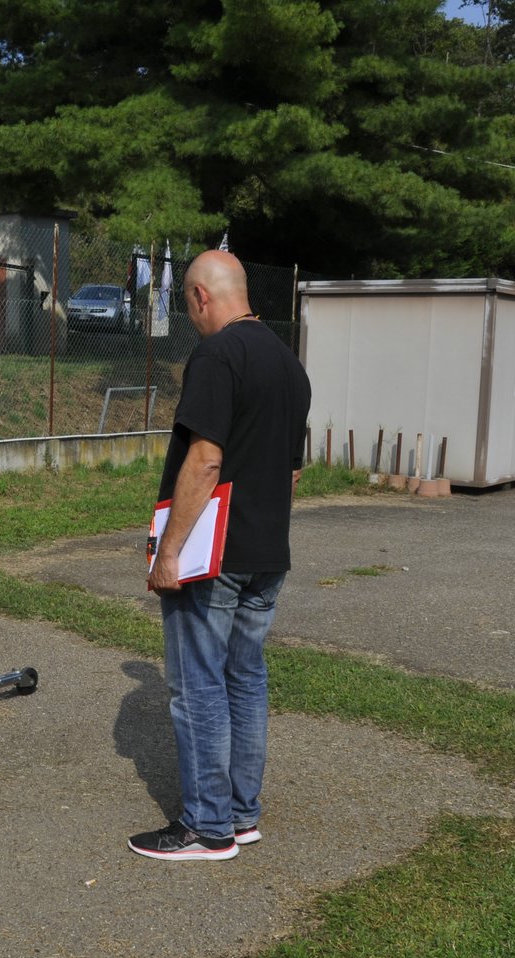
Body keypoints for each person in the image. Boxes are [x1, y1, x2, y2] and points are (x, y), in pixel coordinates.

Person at [128, 249, 311, 862]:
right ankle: (240, 814)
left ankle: (207, 828)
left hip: (213, 554)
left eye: (186, 303)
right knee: (246, 679)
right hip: (267, 551)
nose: (191, 316)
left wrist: (168, 552)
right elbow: (290, 474)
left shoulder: (216, 355)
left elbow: (204, 459)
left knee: (197, 687)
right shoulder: (289, 365)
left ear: (202, 297)